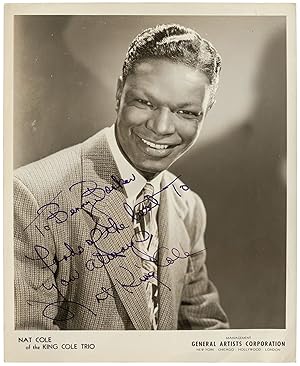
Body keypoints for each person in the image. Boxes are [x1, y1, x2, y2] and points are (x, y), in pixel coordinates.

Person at [14, 23, 229, 330]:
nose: (162, 127)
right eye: (145, 103)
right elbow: (28, 350)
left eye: (187, 112)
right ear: (119, 94)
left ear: (206, 112)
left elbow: (205, 333)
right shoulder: (30, 196)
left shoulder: (189, 207)